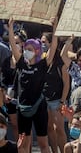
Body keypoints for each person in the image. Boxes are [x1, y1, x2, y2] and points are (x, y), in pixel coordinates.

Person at [8, 17, 58, 153]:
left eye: (29, 49)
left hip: (38, 107)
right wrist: (11, 27)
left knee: (43, 142)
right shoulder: (21, 63)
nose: (26, 51)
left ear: (36, 50)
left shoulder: (42, 64)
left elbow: (53, 47)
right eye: (25, 49)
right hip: (23, 106)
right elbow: (12, 45)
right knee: (23, 142)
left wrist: (54, 29)